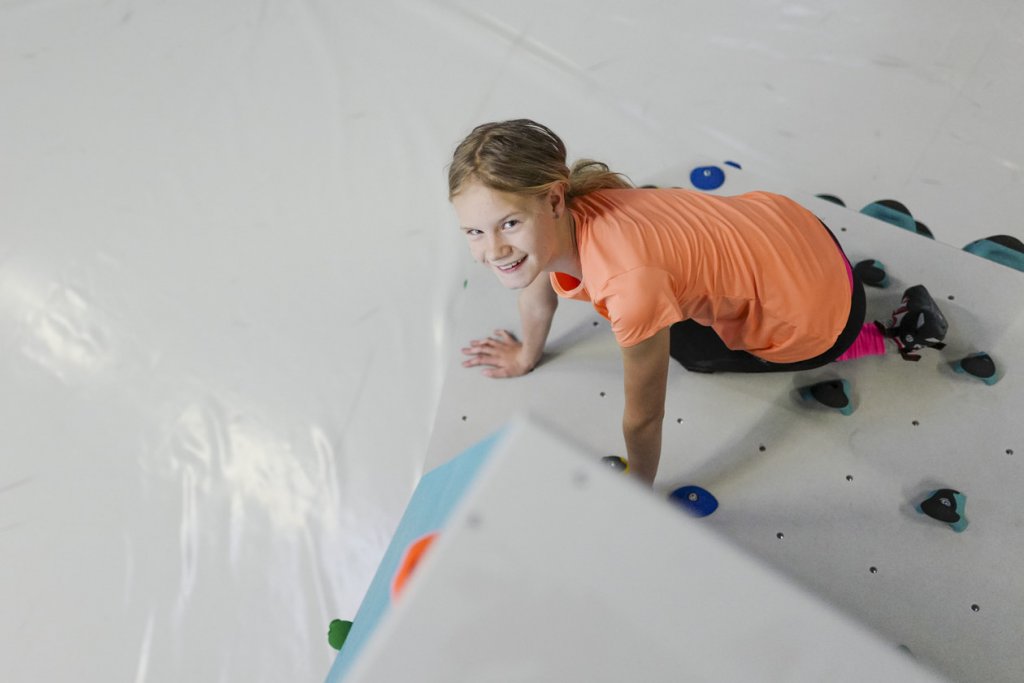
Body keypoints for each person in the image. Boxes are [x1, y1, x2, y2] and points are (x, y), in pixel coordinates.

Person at [448, 119, 947, 486]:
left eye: (508, 224)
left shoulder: (631, 289)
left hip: (820, 318)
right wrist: (526, 354)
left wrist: (637, 488)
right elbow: (539, 288)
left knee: (689, 351)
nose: (494, 250)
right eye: (474, 231)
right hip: (800, 234)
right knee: (675, 293)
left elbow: (644, 416)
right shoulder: (579, 203)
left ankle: (889, 334)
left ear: (555, 200)